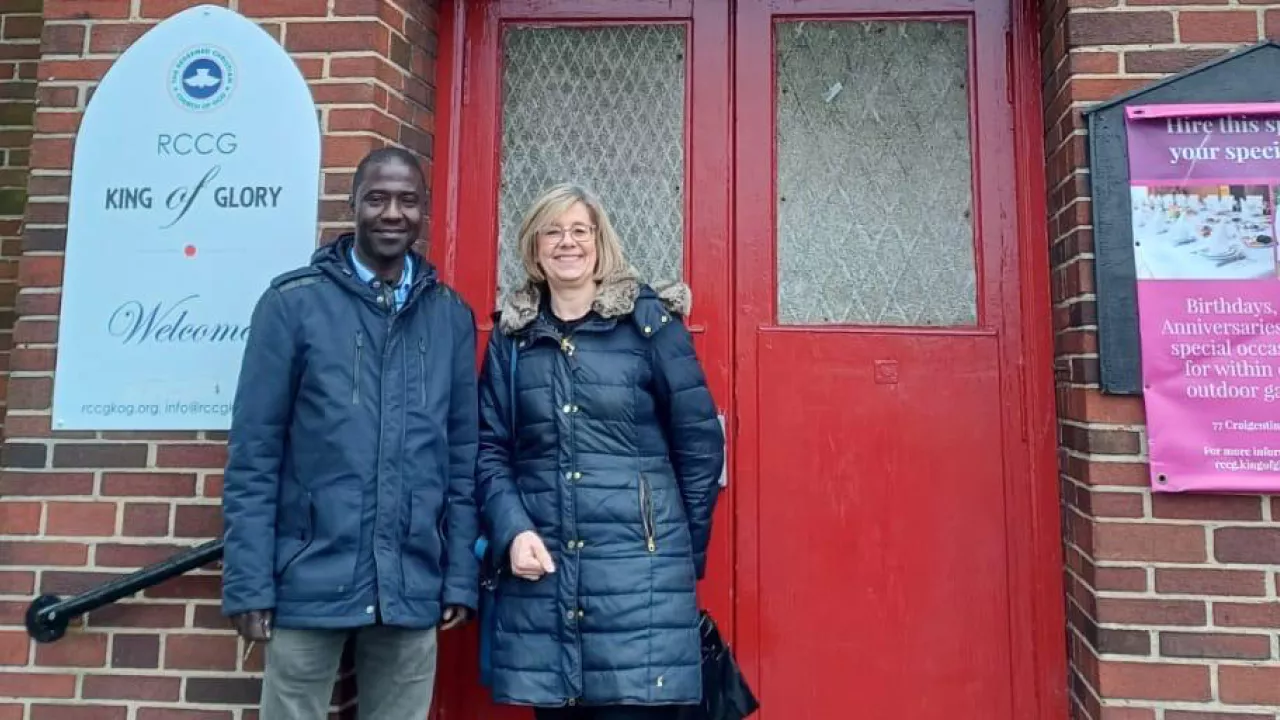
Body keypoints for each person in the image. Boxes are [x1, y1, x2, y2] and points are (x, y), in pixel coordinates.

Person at [220, 146, 480, 720]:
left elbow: (463, 460)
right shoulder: (292, 304)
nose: (392, 212)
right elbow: (254, 456)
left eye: (408, 200)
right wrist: (248, 584)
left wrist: (459, 575)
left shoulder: (450, 317)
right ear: (353, 206)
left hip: (411, 581)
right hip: (308, 575)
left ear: (424, 211)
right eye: (377, 198)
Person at [475, 183, 725, 720]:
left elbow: (701, 445)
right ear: (535, 247)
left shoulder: (650, 326)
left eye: (580, 230)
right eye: (553, 231)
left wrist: (680, 553)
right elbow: (489, 449)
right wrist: (513, 530)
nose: (567, 242)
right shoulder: (513, 339)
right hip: (544, 579)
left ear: (599, 242)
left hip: (640, 587)